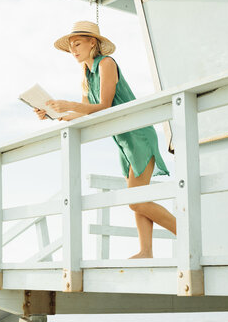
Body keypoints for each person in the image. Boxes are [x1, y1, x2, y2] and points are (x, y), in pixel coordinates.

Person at [34, 21, 176, 259]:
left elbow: (103, 106)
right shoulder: (87, 75)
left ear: (93, 42)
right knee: (139, 198)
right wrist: (53, 114)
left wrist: (69, 104)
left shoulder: (106, 64)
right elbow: (83, 112)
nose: (73, 50)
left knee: (135, 200)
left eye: (77, 44)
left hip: (137, 133)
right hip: (123, 138)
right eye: (71, 46)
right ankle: (146, 251)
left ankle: (186, 233)